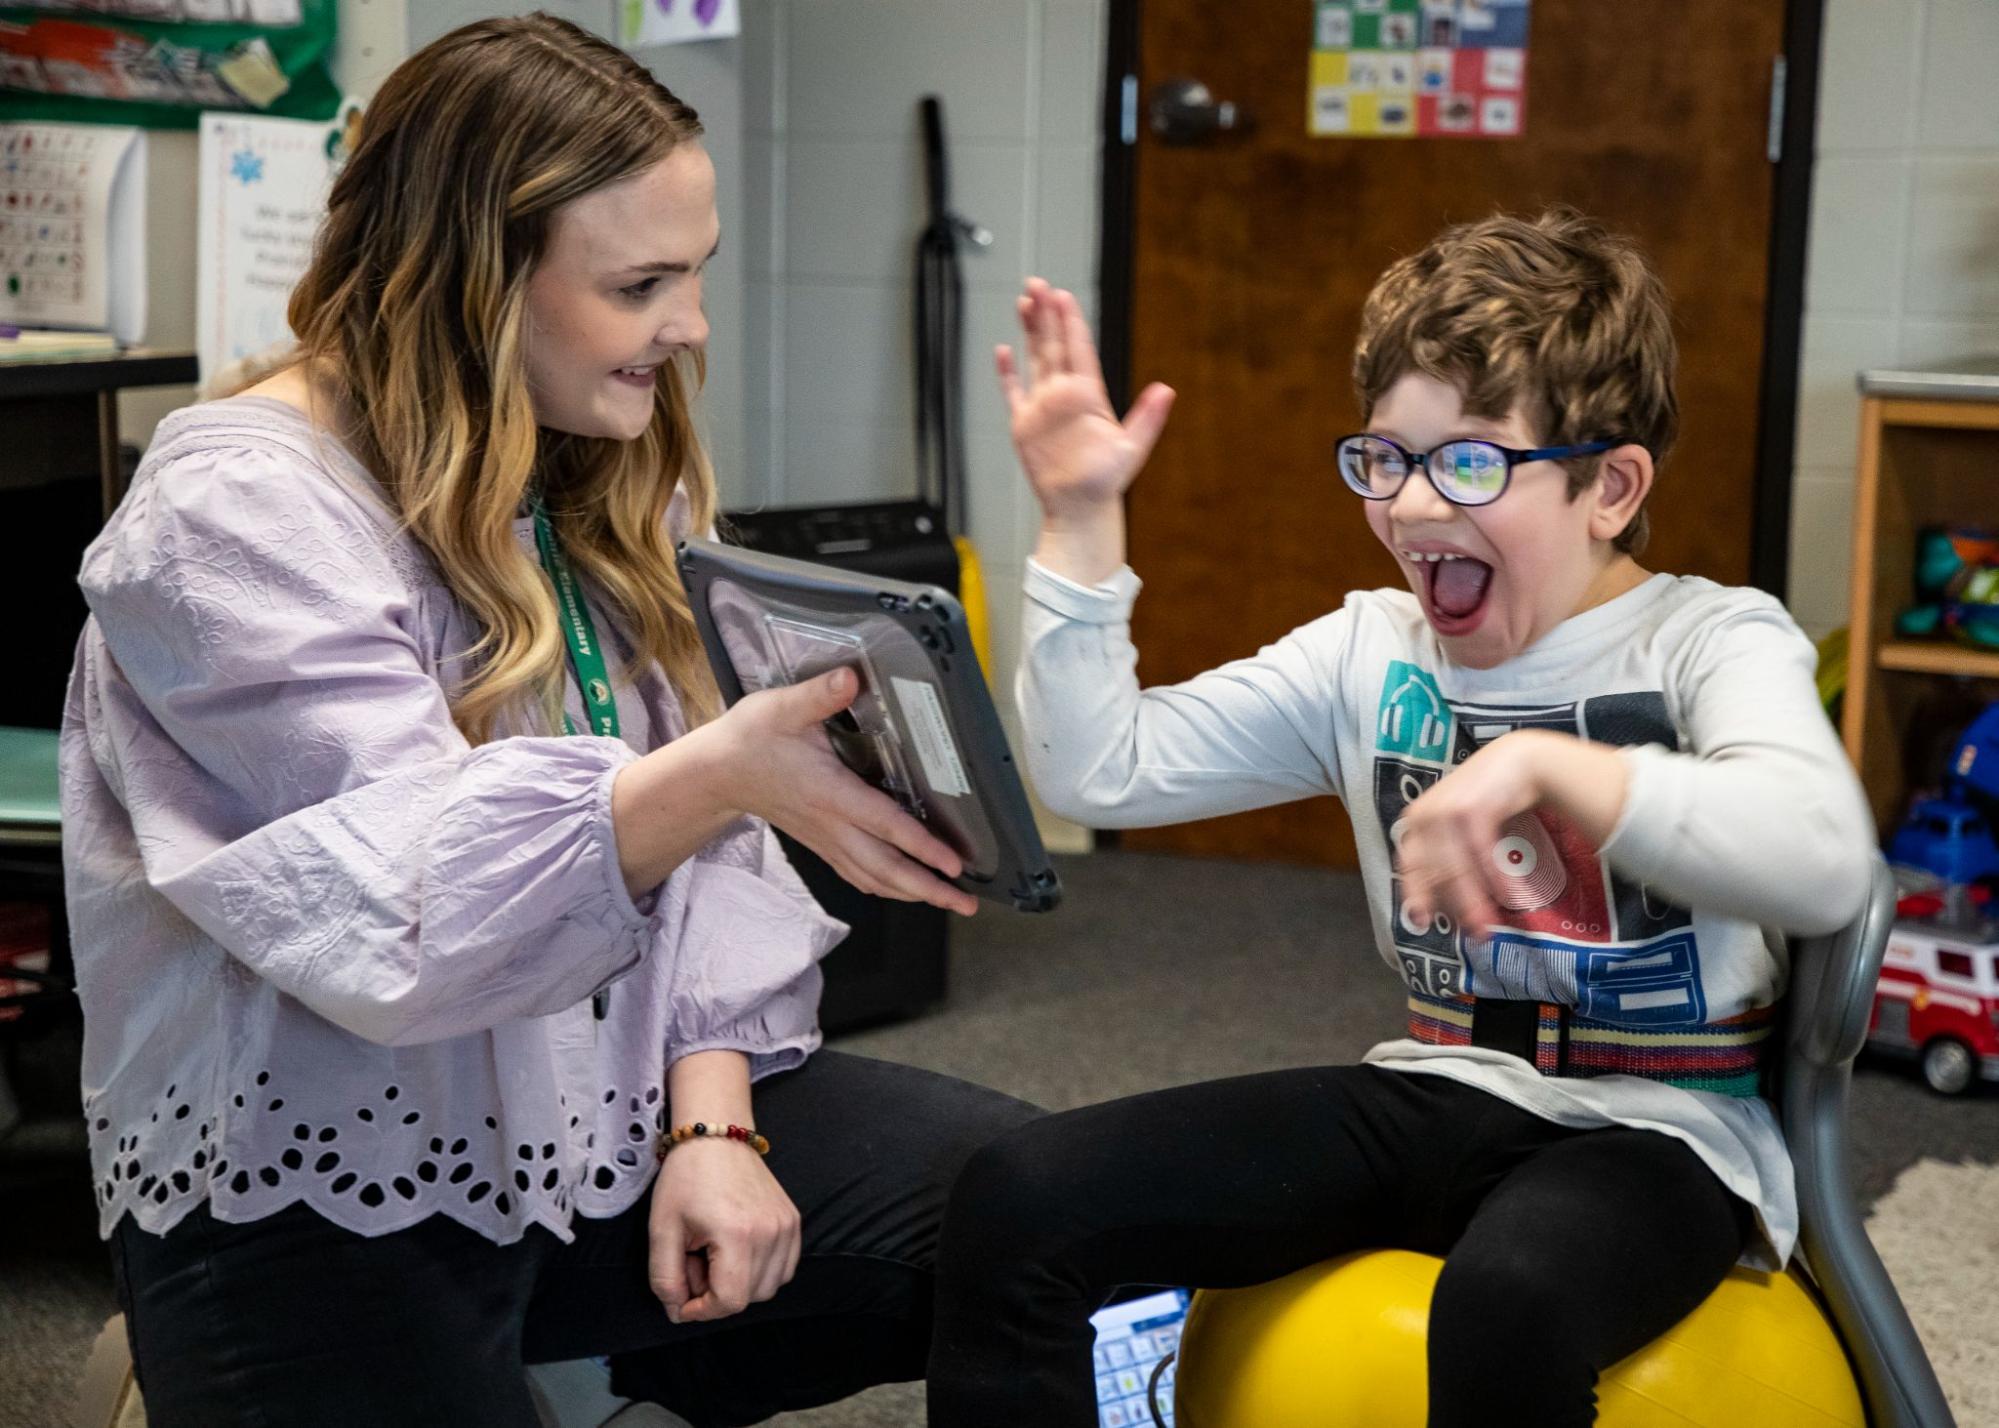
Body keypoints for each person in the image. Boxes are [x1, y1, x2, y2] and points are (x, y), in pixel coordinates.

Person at [62, 15, 1036, 1425]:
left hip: (603, 1124)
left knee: (1047, 1218)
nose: (689, 326)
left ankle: (571, 1380)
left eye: (691, 274)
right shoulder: (232, 517)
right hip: (329, 1189)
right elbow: (411, 911)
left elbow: (707, 872)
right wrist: (720, 774)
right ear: (468, 284)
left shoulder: (589, 457)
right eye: (641, 282)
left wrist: (713, 1122)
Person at [924, 209, 1876, 1426]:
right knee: (1016, 1196)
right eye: (1386, 459)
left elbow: (1822, 857)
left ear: (1610, 485)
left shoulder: (1708, 637)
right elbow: (1099, 773)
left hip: (1666, 1132)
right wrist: (1076, 524)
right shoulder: (1369, 649)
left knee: (1509, 1301)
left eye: (1472, 463)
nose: (1416, 510)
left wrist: (1558, 768)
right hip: (1443, 1084)